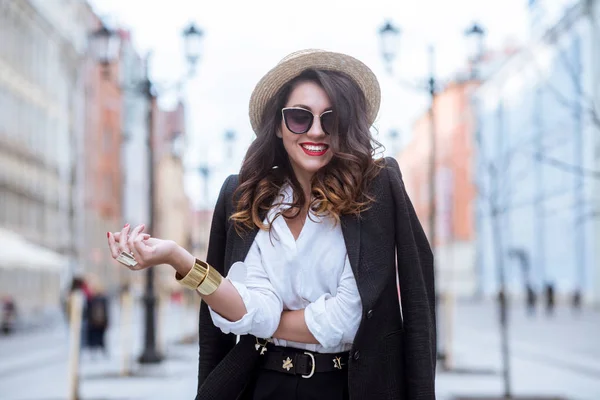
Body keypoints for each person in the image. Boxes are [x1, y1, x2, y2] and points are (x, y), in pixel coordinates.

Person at [107, 49, 436, 400]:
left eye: (331, 119)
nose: (316, 131)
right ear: (278, 125)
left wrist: (256, 319)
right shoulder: (245, 197)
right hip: (263, 385)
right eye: (299, 117)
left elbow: (350, 317)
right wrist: (177, 258)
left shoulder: (375, 190)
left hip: (348, 388)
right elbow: (230, 318)